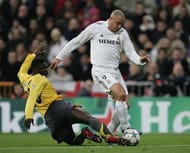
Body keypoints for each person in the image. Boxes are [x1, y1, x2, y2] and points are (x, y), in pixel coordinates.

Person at [50, 10, 151, 133]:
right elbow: (76, 41)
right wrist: (59, 57)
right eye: (117, 23)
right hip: (100, 70)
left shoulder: (123, 33)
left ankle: (108, 132)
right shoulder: (96, 28)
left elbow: (130, 53)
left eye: (121, 24)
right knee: (120, 94)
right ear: (111, 19)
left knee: (125, 104)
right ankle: (126, 129)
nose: (119, 26)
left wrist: (140, 60)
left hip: (115, 71)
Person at [17, 43, 128, 146]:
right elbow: (32, 98)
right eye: (44, 68)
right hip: (58, 107)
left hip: (50, 118)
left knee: (74, 141)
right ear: (36, 69)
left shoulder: (24, 78)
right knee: (89, 119)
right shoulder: (40, 80)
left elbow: (22, 69)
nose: (47, 70)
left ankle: (85, 134)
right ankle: (109, 137)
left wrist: (33, 54)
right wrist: (29, 116)